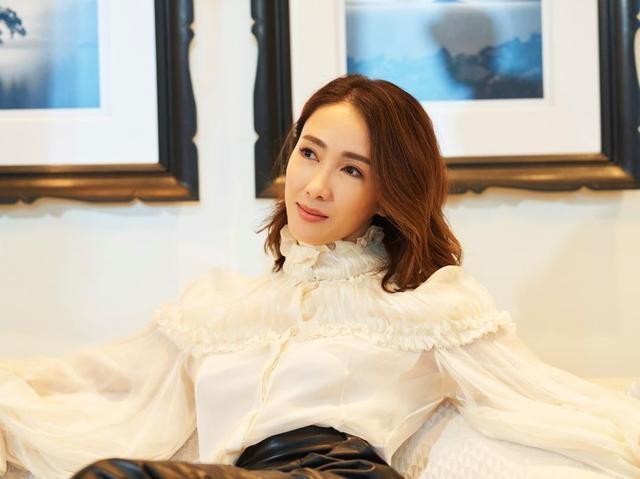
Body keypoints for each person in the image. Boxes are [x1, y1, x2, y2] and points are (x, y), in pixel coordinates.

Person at [1, 74, 639, 479]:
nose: (316, 186)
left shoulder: (429, 304)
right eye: (310, 153)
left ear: (388, 193)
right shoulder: (218, 307)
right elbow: (101, 380)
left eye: (352, 170)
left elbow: (540, 396)